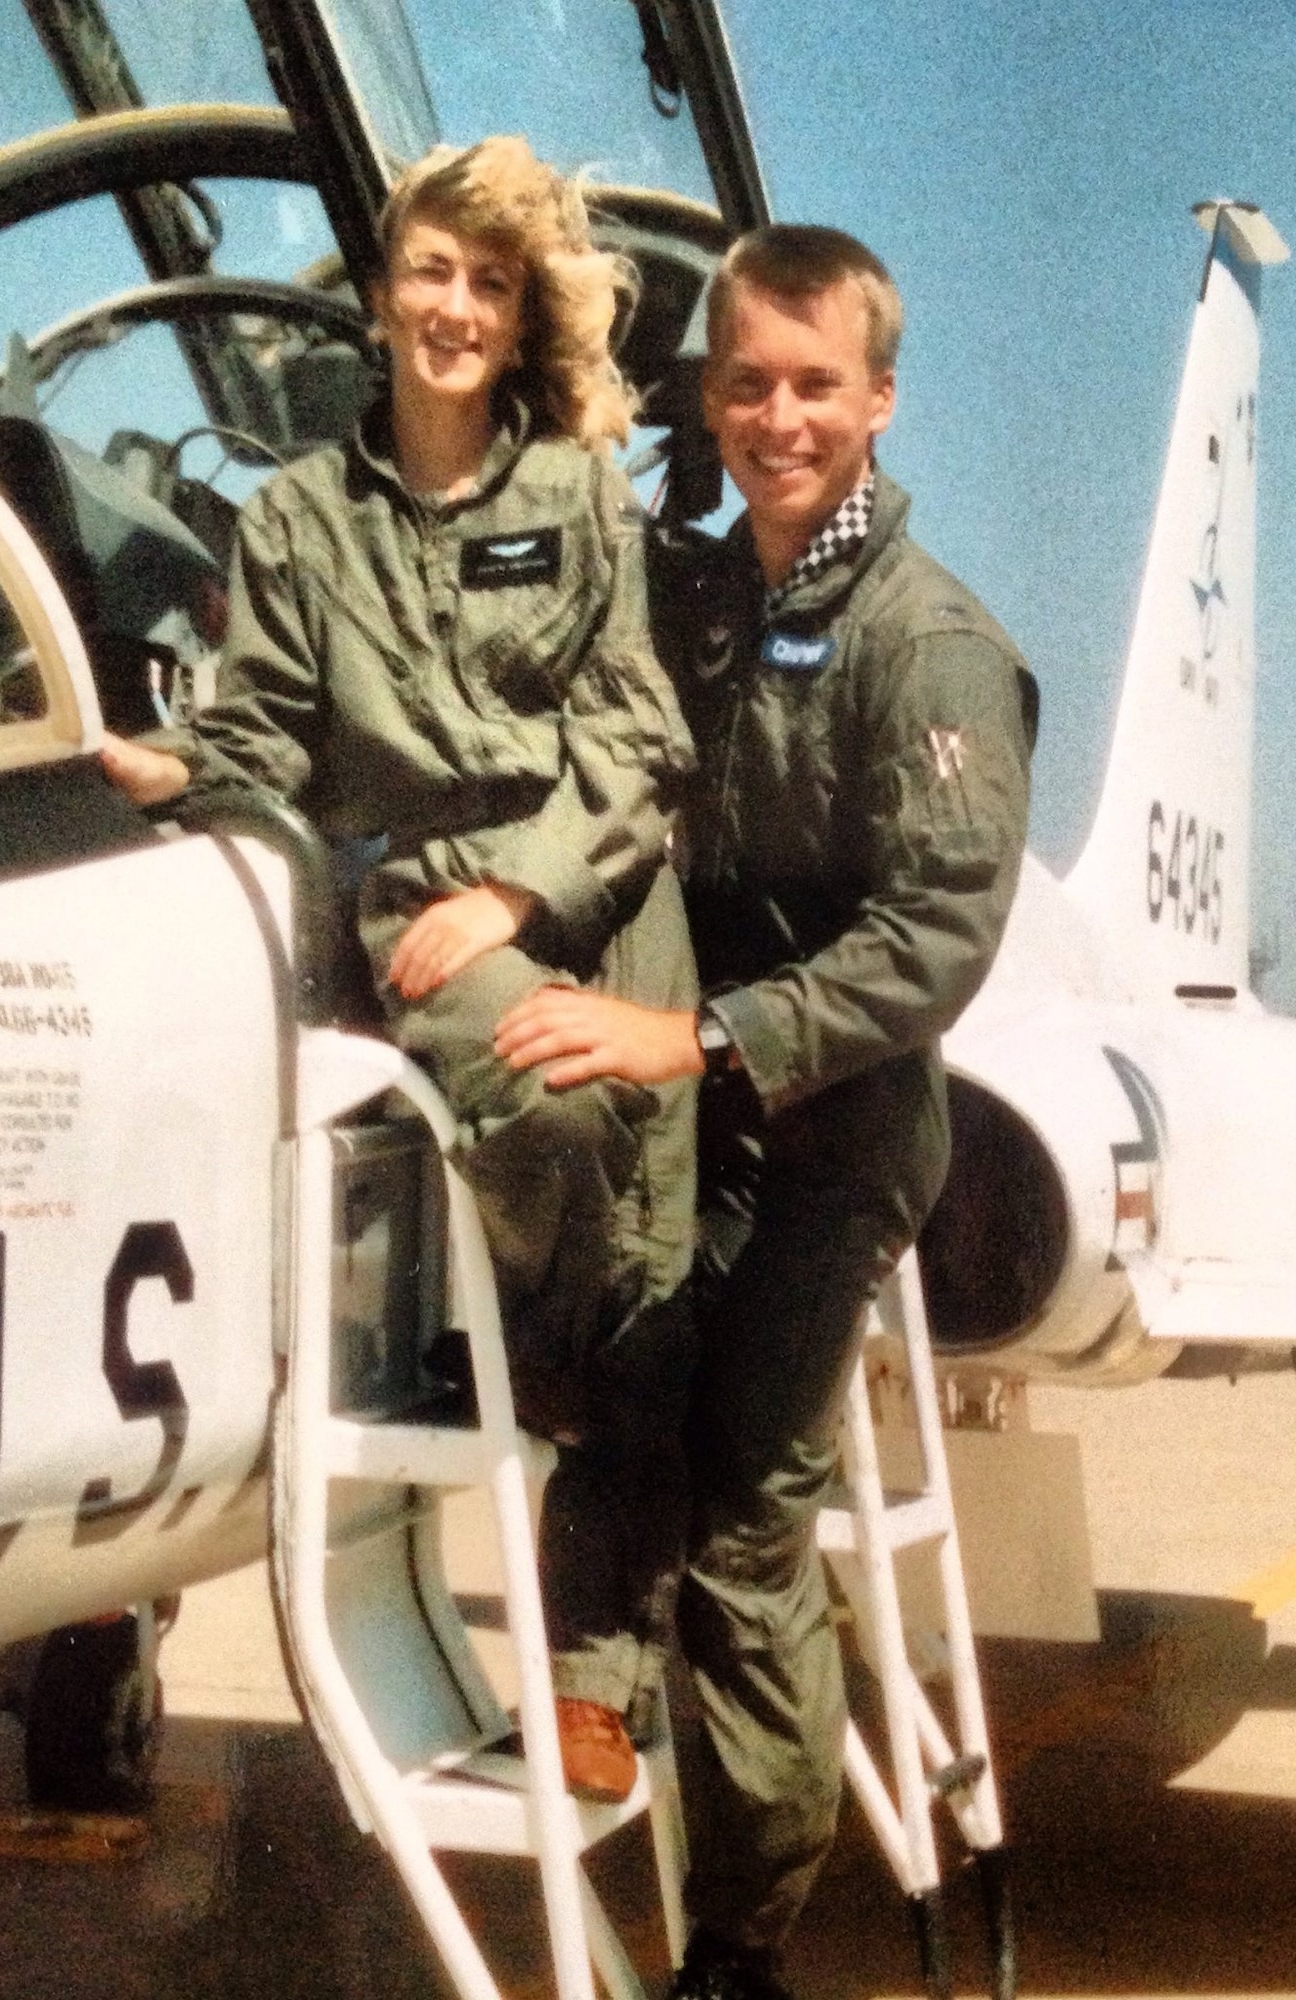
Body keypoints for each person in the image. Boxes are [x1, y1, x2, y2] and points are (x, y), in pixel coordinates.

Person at [100, 137, 699, 1805]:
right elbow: (267, 731)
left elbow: (641, 735)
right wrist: (163, 766)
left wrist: (529, 886)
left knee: (659, 1266)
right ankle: (526, 1365)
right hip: (429, 918)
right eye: (430, 271)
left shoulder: (578, 496)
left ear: (518, 323)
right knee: (556, 1108)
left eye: (488, 284)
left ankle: (595, 1668)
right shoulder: (300, 520)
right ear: (382, 295)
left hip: (592, 883)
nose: (453, 306)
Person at [494, 224, 1036, 1999]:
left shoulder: (930, 646)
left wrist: (706, 1043)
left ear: (879, 400)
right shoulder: (701, 597)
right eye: (745, 384)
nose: (778, 418)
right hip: (696, 1115)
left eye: (816, 385)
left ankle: (741, 1942)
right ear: (706, 399)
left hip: (837, 1132)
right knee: (607, 1380)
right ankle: (594, 1699)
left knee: (745, 1502)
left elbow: (937, 941)